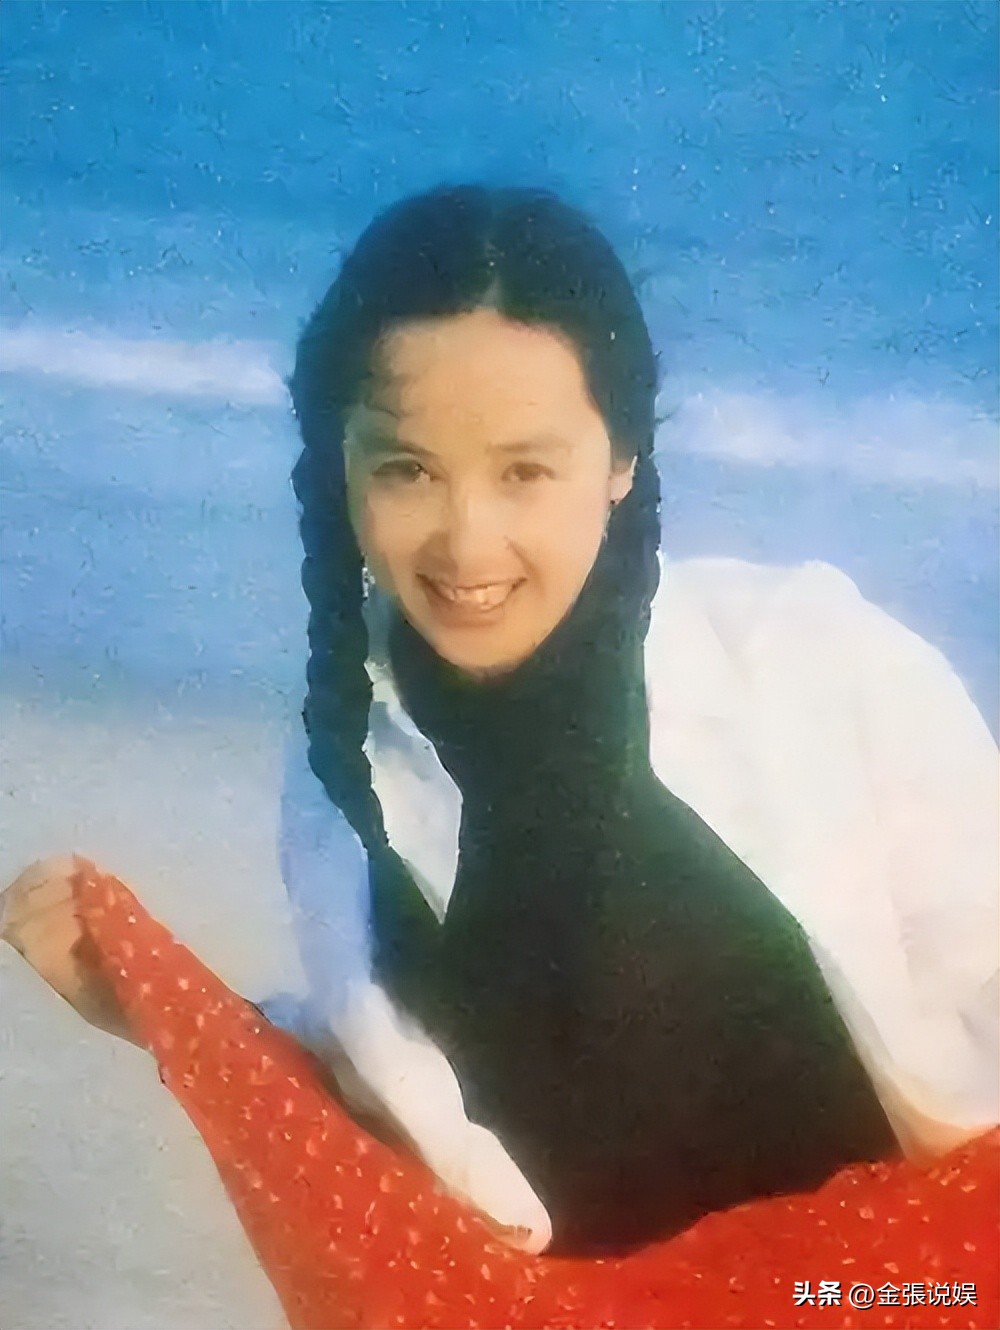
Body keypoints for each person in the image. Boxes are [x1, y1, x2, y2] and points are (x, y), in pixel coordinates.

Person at [3, 185, 997, 1261]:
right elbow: (389, 1099)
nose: (467, 542)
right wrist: (154, 1002)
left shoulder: (809, 659)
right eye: (407, 470)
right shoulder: (343, 761)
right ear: (338, 468)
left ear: (620, 461)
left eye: (525, 471)